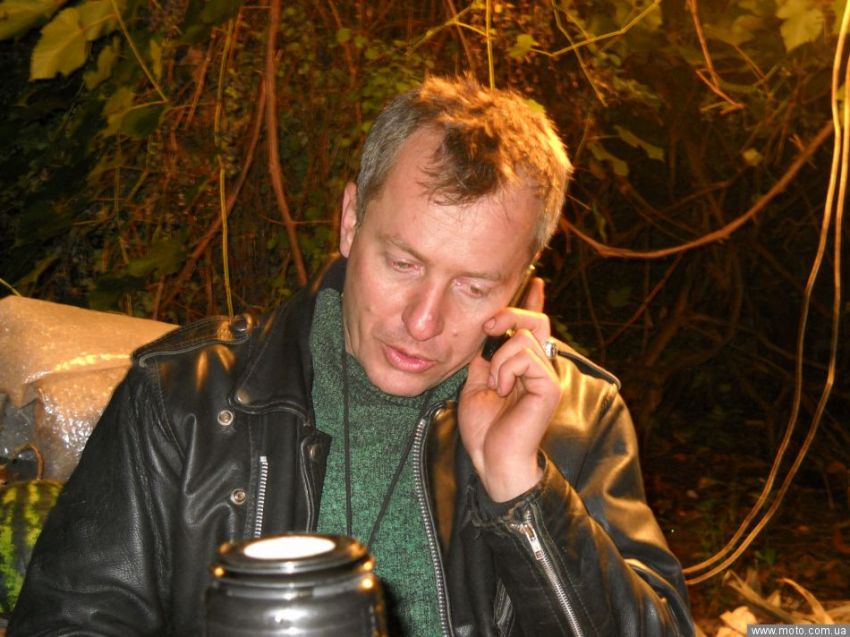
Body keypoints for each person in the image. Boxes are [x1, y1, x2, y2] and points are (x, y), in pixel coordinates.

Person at [10, 75, 694, 636]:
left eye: (474, 286)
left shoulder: (579, 416)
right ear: (349, 221)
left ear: (524, 283)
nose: (423, 321)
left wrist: (520, 486)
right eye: (402, 262)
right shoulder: (183, 395)